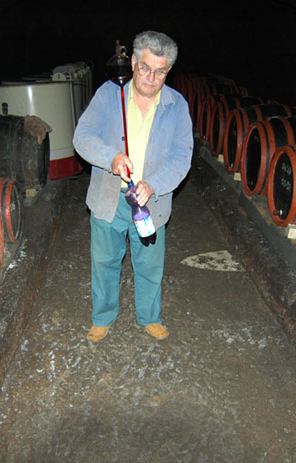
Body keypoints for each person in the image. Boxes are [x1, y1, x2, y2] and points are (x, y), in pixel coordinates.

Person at [72, 30, 193, 341]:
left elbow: (182, 157)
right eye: (145, 68)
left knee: (150, 265)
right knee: (104, 262)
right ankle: (103, 316)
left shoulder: (176, 106)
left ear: (169, 70)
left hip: (150, 204)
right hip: (108, 198)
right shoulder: (109, 94)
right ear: (134, 62)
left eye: (161, 71)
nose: (152, 78)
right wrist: (110, 157)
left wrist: (153, 185)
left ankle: (149, 316)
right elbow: (81, 137)